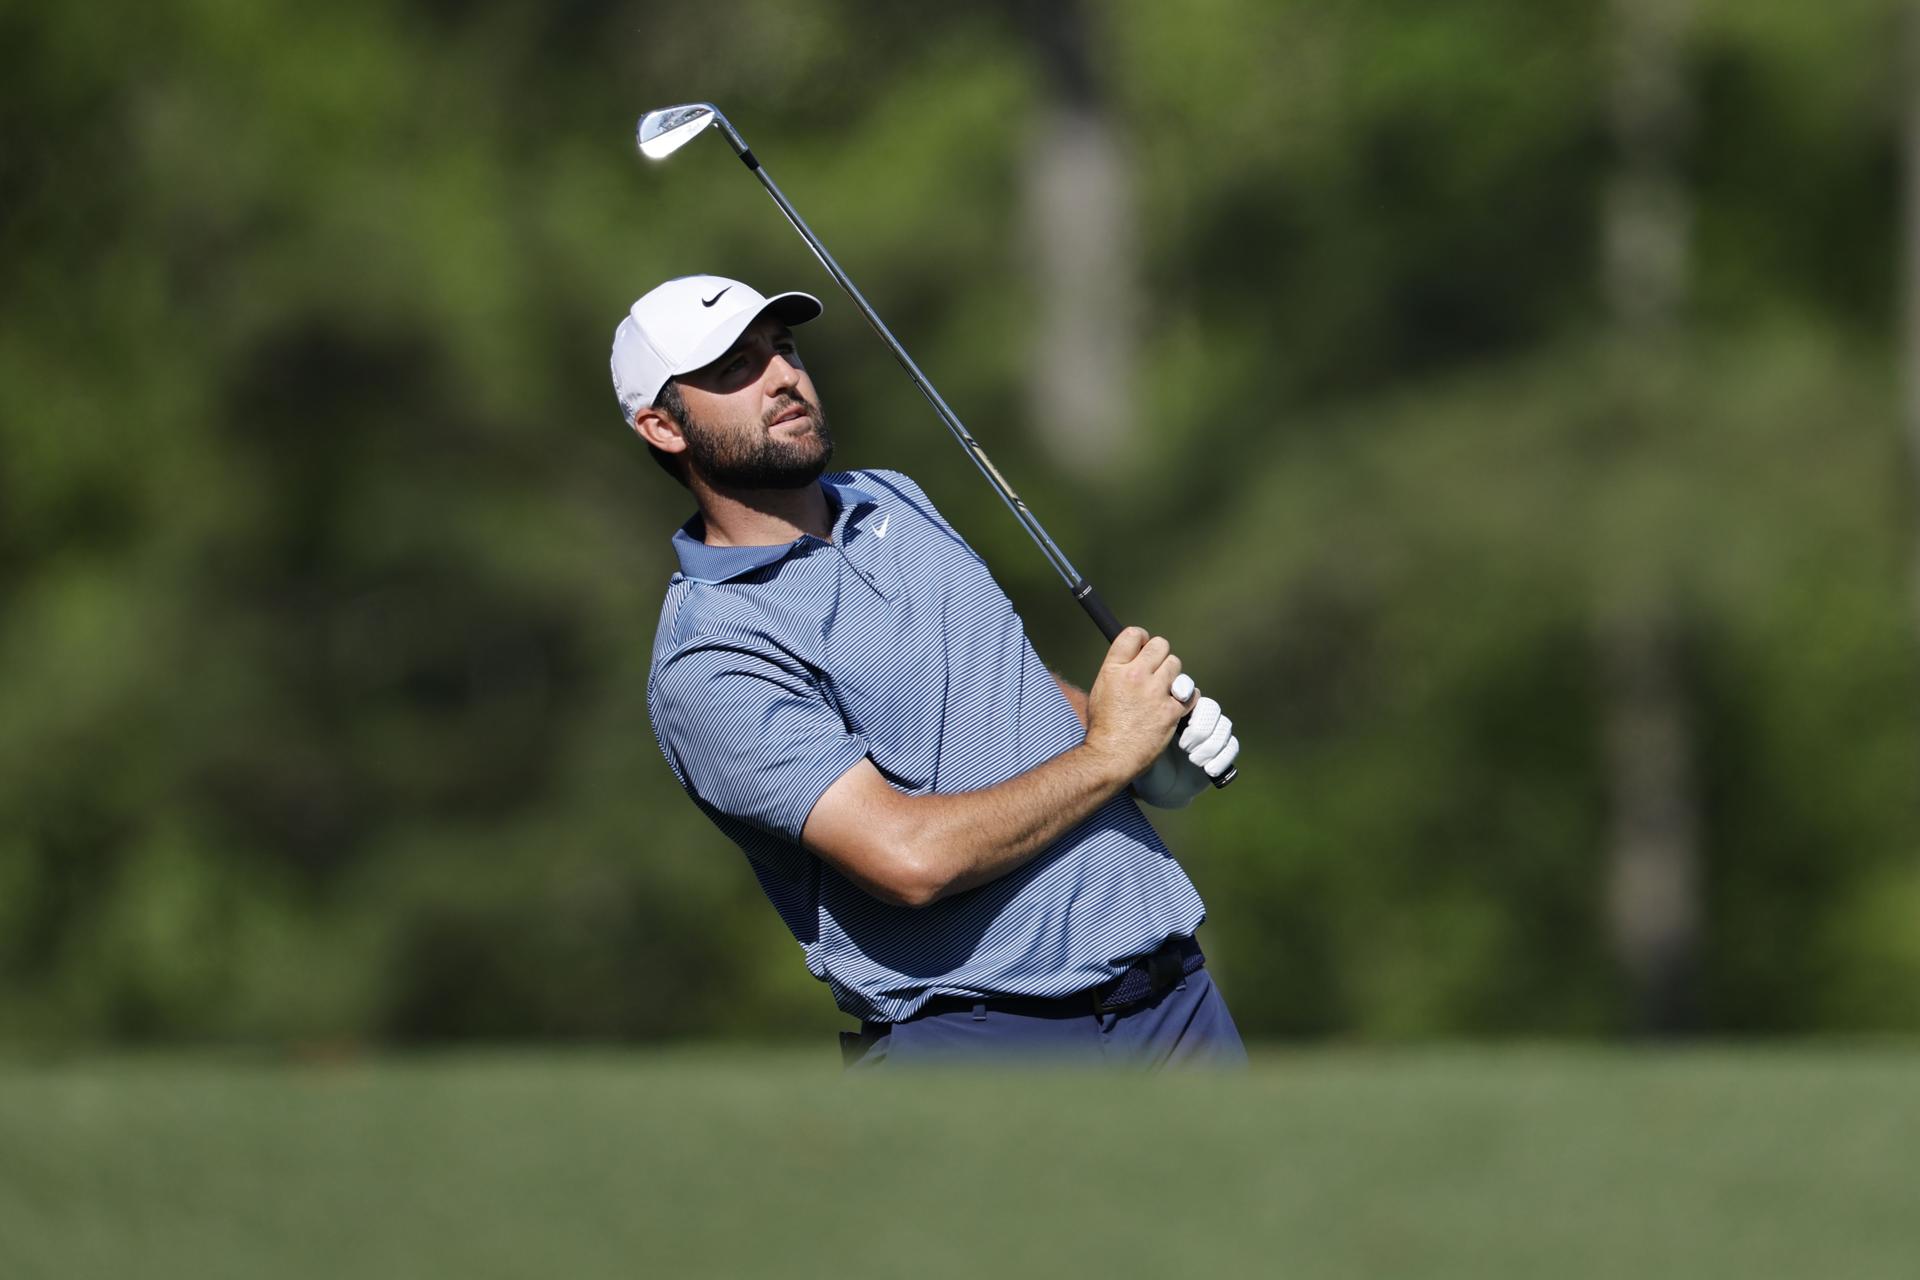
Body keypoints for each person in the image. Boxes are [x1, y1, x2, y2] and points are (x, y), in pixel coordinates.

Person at [612, 274, 1245, 1067]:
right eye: (734, 368)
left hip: (1176, 1004)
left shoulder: (891, 498)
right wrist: (1108, 754)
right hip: (981, 1043)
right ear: (662, 427)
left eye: (783, 349)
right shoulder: (711, 655)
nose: (783, 377)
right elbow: (908, 859)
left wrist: (1146, 747)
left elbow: (1002, 681)